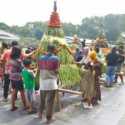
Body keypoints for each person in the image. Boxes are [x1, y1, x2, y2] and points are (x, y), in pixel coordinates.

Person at [38, 44, 60, 124]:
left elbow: (39, 68)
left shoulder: (40, 58)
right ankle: (48, 118)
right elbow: (57, 70)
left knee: (42, 99)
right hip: (51, 82)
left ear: (47, 49)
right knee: (50, 101)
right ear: (54, 50)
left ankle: (40, 114)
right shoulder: (56, 59)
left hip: (42, 81)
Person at [9, 46, 26, 111]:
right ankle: (25, 106)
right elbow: (22, 68)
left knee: (14, 91)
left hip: (12, 77)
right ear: (18, 52)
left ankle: (12, 106)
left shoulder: (11, 59)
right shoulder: (18, 60)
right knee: (22, 92)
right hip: (18, 78)